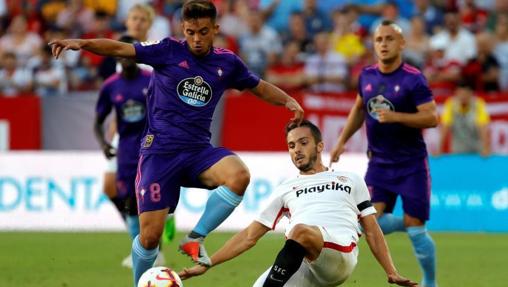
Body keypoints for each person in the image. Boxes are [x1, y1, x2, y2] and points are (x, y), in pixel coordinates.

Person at [49, 1, 304, 286]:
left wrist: (287, 100)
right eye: (191, 31)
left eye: (203, 32)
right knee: (149, 238)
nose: (196, 38)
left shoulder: (227, 62)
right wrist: (81, 43)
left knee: (238, 175)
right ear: (183, 29)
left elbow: (258, 86)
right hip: (159, 152)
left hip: (198, 151)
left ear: (215, 30)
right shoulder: (168, 50)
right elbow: (121, 48)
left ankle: (195, 238)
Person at [179, 120, 417, 287]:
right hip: (302, 260)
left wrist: (391, 271)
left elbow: (372, 229)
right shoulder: (286, 188)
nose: (296, 150)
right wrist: (209, 263)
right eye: (291, 146)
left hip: (339, 256)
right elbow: (250, 235)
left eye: (303, 143)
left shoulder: (350, 179)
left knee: (300, 230)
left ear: (320, 146)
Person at [329, 20, 439, 287]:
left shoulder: (413, 78)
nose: (384, 44)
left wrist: (396, 116)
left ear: (401, 44)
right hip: (378, 162)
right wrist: (342, 140)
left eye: (390, 39)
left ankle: (430, 281)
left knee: (416, 228)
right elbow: (359, 108)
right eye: (379, 39)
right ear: (374, 44)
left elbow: (432, 118)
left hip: (411, 163)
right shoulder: (366, 75)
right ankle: (408, 224)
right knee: (369, 222)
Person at [94, 34, 167, 268]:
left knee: (152, 199)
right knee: (129, 203)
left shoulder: (151, 80)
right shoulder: (110, 86)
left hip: (151, 147)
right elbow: (98, 120)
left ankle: (156, 249)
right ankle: (140, 249)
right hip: (125, 150)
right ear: (117, 55)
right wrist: (104, 144)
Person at [438, 80, 491, 156]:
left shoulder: (479, 104)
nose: (462, 96)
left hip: (477, 150)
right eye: (459, 93)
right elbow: (445, 127)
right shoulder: (450, 104)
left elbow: (483, 127)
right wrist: (439, 149)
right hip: (458, 150)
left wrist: (486, 148)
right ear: (456, 93)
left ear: (471, 93)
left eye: (465, 94)